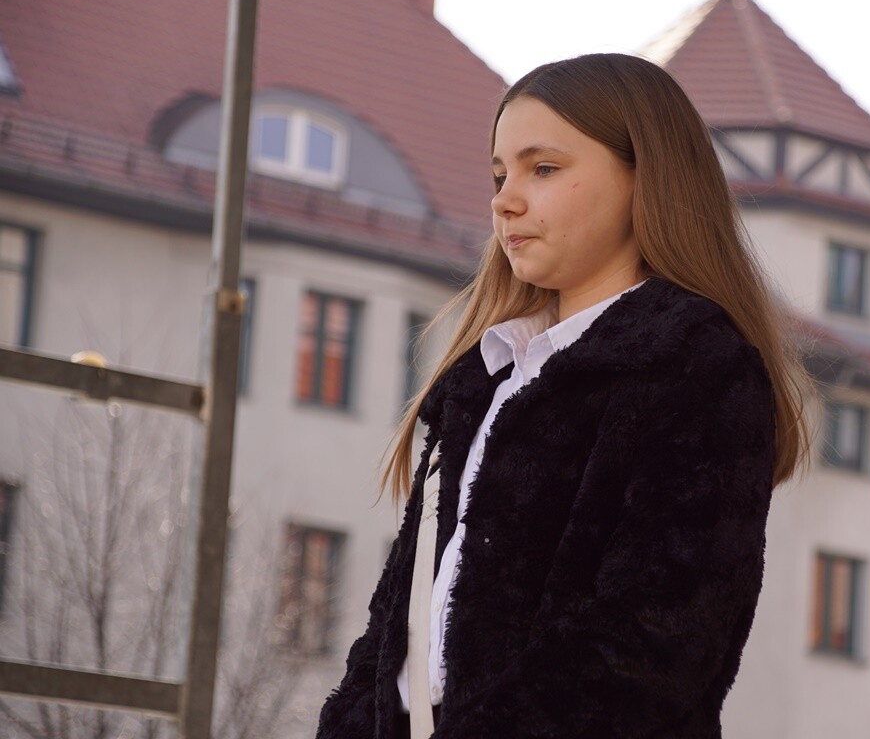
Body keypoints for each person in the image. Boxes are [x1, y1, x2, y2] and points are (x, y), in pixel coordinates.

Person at [315, 52, 815, 739]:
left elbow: (649, 648)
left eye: (543, 169)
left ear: (645, 177)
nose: (505, 200)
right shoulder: (486, 376)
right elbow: (394, 633)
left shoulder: (695, 365)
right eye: (500, 175)